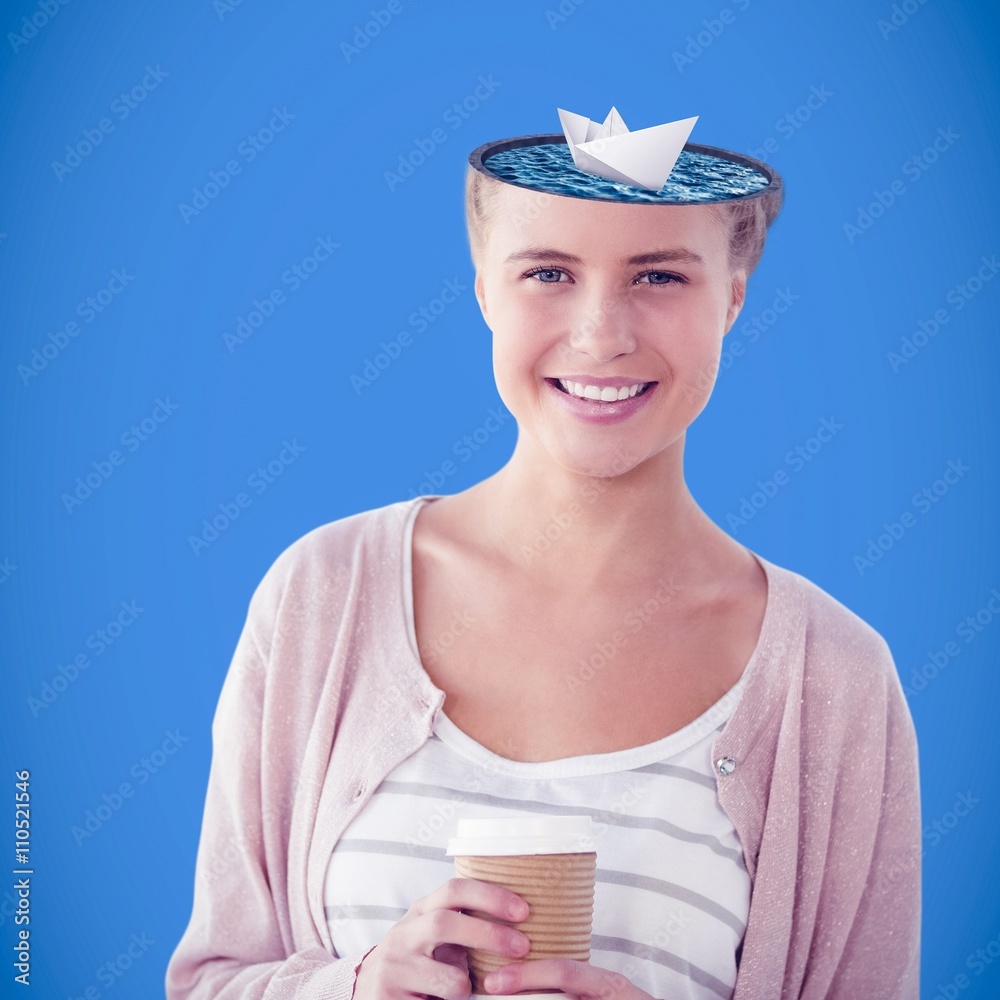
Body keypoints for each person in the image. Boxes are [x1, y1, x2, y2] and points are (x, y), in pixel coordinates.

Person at [166, 123, 921, 1000]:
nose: (601, 336)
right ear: (486, 290)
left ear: (733, 301)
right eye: (549, 273)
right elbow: (210, 982)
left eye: (660, 276)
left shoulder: (833, 681)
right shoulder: (322, 595)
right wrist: (354, 987)